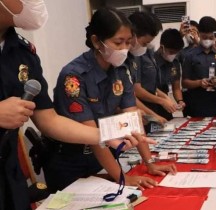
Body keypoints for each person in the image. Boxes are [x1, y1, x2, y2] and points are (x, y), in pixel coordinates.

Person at [0, 1, 147, 210]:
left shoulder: (23, 52)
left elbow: (48, 119)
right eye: (119, 42)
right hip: (67, 162)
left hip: (9, 175)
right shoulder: (75, 73)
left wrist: (105, 134)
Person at [42, 7, 177, 193]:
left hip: (103, 158)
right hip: (71, 163)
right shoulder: (74, 76)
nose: (124, 49)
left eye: (128, 43)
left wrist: (149, 163)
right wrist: (123, 177)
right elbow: (93, 135)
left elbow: (133, 120)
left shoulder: (121, 70)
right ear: (97, 41)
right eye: (118, 42)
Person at [128, 11, 178, 126]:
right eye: (144, 43)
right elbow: (134, 91)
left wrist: (164, 97)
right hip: (135, 111)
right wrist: (158, 105)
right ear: (133, 35)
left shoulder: (145, 53)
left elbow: (150, 85)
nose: (146, 46)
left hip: (145, 110)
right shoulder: (128, 57)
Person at [181, 16, 216, 117]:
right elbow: (184, 82)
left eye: (211, 38)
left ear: (215, 35)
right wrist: (199, 82)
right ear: (199, 34)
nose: (207, 40)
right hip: (197, 104)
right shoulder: (190, 55)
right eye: (204, 37)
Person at [154, 28, 186, 120]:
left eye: (176, 53)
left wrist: (180, 101)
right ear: (162, 47)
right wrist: (163, 100)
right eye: (171, 52)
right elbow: (147, 88)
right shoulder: (151, 62)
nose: (174, 55)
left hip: (166, 106)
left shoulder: (175, 62)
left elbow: (176, 88)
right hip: (151, 104)